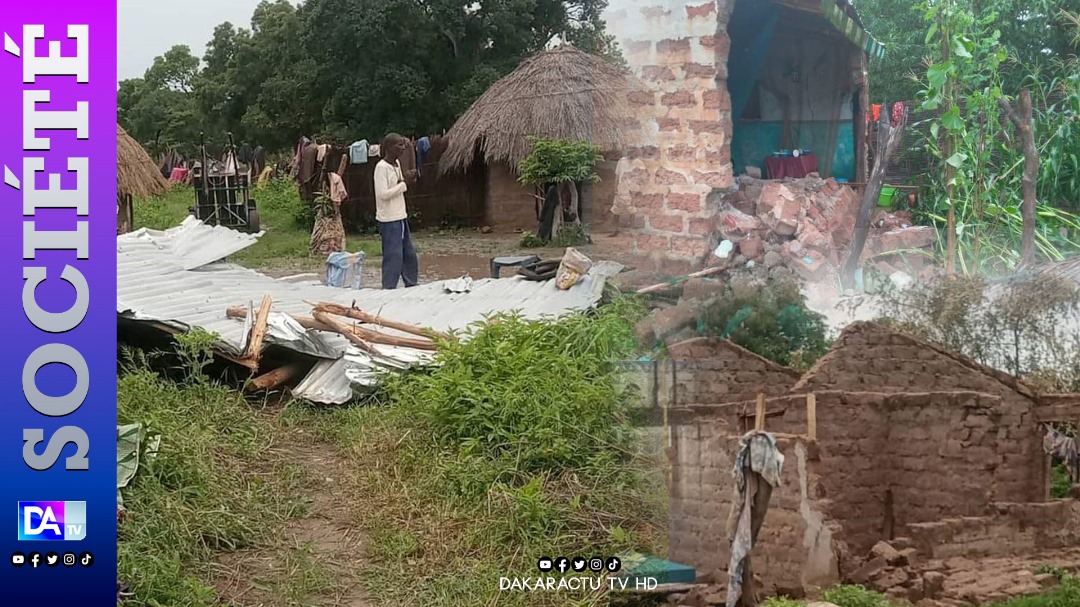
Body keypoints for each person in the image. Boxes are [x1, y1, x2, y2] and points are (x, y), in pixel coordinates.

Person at [374, 133, 419, 289]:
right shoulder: (381, 168)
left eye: (403, 144)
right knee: (393, 256)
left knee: (409, 254)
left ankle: (411, 284)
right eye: (399, 145)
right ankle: (389, 287)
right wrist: (404, 184)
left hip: (400, 216)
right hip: (388, 219)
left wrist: (407, 178)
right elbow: (383, 194)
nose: (402, 148)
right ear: (388, 147)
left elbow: (399, 183)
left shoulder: (397, 164)